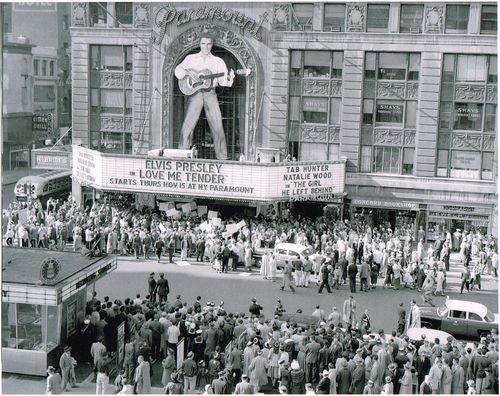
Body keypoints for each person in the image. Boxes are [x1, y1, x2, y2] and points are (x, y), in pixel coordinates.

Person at [174, 35, 234, 160]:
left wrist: (230, 78)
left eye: (209, 44)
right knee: (187, 127)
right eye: (203, 43)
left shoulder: (218, 61)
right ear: (199, 44)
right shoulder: (191, 58)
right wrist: (188, 74)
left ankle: (222, 158)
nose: (206, 47)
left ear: (212, 45)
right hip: (195, 95)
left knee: (218, 127)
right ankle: (181, 157)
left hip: (210, 94)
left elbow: (223, 82)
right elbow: (178, 71)